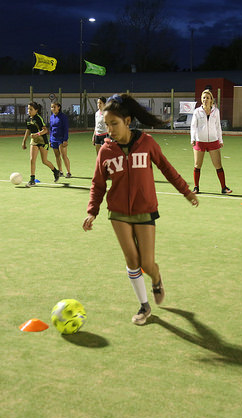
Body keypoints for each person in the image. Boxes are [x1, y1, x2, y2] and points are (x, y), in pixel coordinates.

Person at [83, 93, 198, 325]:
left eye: (114, 124)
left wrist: (185, 190)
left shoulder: (147, 143)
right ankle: (145, 307)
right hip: (118, 212)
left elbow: (166, 168)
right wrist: (92, 211)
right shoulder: (105, 151)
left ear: (127, 121)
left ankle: (156, 278)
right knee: (132, 260)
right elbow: (98, 183)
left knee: (147, 264)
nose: (110, 130)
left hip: (145, 210)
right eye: (107, 125)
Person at [190, 89, 232, 194]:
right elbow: (193, 126)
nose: (205, 100)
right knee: (197, 165)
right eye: (203, 97)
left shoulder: (216, 111)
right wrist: (193, 139)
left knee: (218, 165)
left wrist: (220, 140)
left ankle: (224, 188)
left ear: (211, 100)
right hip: (200, 141)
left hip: (213, 141)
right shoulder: (197, 112)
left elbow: (218, 126)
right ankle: (196, 187)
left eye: (207, 98)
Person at [21, 102, 59, 186]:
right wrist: (24, 141)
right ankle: (32, 179)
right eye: (28, 109)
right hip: (34, 141)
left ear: (36, 110)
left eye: (31, 109)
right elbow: (28, 130)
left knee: (44, 161)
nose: (29, 111)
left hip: (42, 141)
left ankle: (55, 171)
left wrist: (37, 134)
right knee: (32, 160)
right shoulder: (28, 119)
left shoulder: (38, 118)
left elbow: (45, 130)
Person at [49, 102, 71, 178]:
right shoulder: (51, 117)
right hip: (53, 139)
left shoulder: (63, 117)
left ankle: (68, 172)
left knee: (64, 156)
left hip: (61, 139)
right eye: (52, 107)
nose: (53, 108)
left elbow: (66, 129)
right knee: (57, 156)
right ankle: (60, 171)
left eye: (54, 107)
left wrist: (65, 139)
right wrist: (50, 140)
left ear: (59, 107)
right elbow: (51, 129)